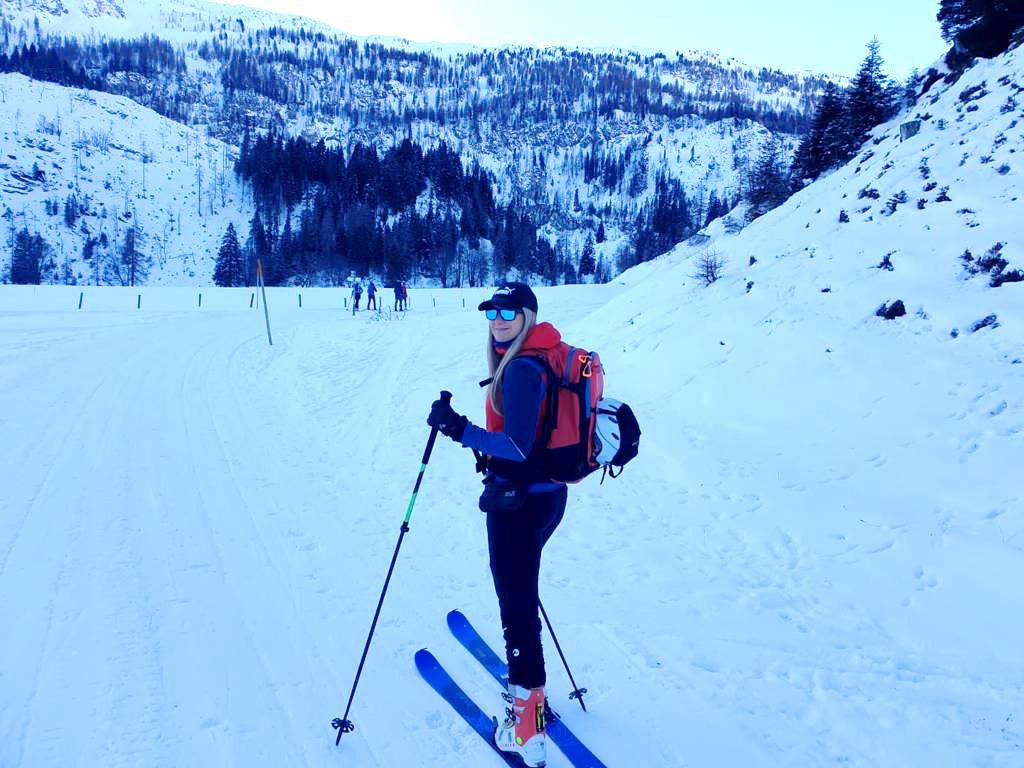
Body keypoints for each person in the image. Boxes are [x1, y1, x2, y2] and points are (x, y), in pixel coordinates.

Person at [427, 282, 564, 768]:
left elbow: (520, 447)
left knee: (518, 609)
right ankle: (534, 700)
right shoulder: (543, 354)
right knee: (522, 593)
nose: (499, 317)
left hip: (520, 503)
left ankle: (526, 731)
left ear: (527, 314)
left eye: (509, 309)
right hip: (544, 495)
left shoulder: (525, 368)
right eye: (491, 310)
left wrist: (459, 430)